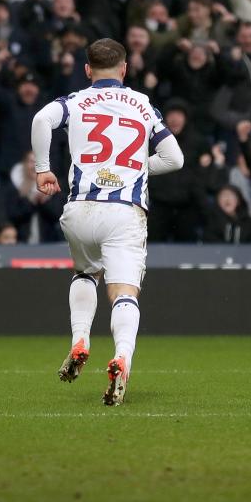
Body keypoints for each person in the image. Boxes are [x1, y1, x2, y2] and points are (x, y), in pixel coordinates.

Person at [30, 38, 184, 405]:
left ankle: (80, 339)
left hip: (80, 208)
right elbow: (174, 158)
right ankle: (122, 359)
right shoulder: (143, 105)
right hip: (124, 211)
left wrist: (43, 169)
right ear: (125, 69)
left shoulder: (75, 101)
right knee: (124, 292)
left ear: (88, 70)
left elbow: (40, 120)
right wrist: (136, 167)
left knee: (85, 273)